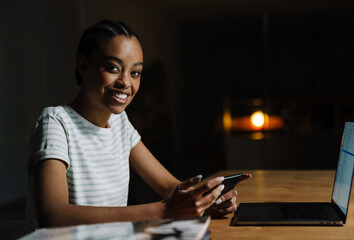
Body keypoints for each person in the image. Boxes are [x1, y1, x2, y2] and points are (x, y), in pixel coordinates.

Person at [25, 20, 238, 233]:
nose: (126, 82)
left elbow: (168, 186)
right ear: (83, 66)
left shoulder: (120, 123)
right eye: (113, 68)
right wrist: (165, 210)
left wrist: (207, 201)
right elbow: (53, 216)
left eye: (135, 72)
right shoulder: (55, 122)